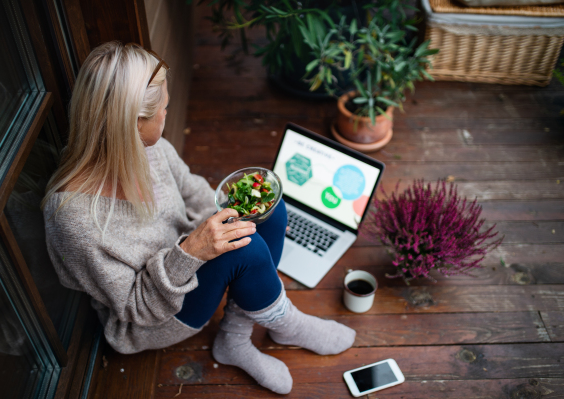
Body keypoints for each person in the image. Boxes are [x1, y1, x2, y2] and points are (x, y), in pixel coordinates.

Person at [41, 42, 355, 394]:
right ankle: (286, 322)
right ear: (132, 123)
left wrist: (229, 212)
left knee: (270, 205)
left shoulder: (151, 148)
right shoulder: (74, 220)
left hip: (186, 260)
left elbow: (195, 193)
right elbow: (134, 308)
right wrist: (191, 252)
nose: (166, 114)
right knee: (244, 249)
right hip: (155, 317)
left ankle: (235, 339)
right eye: (164, 108)